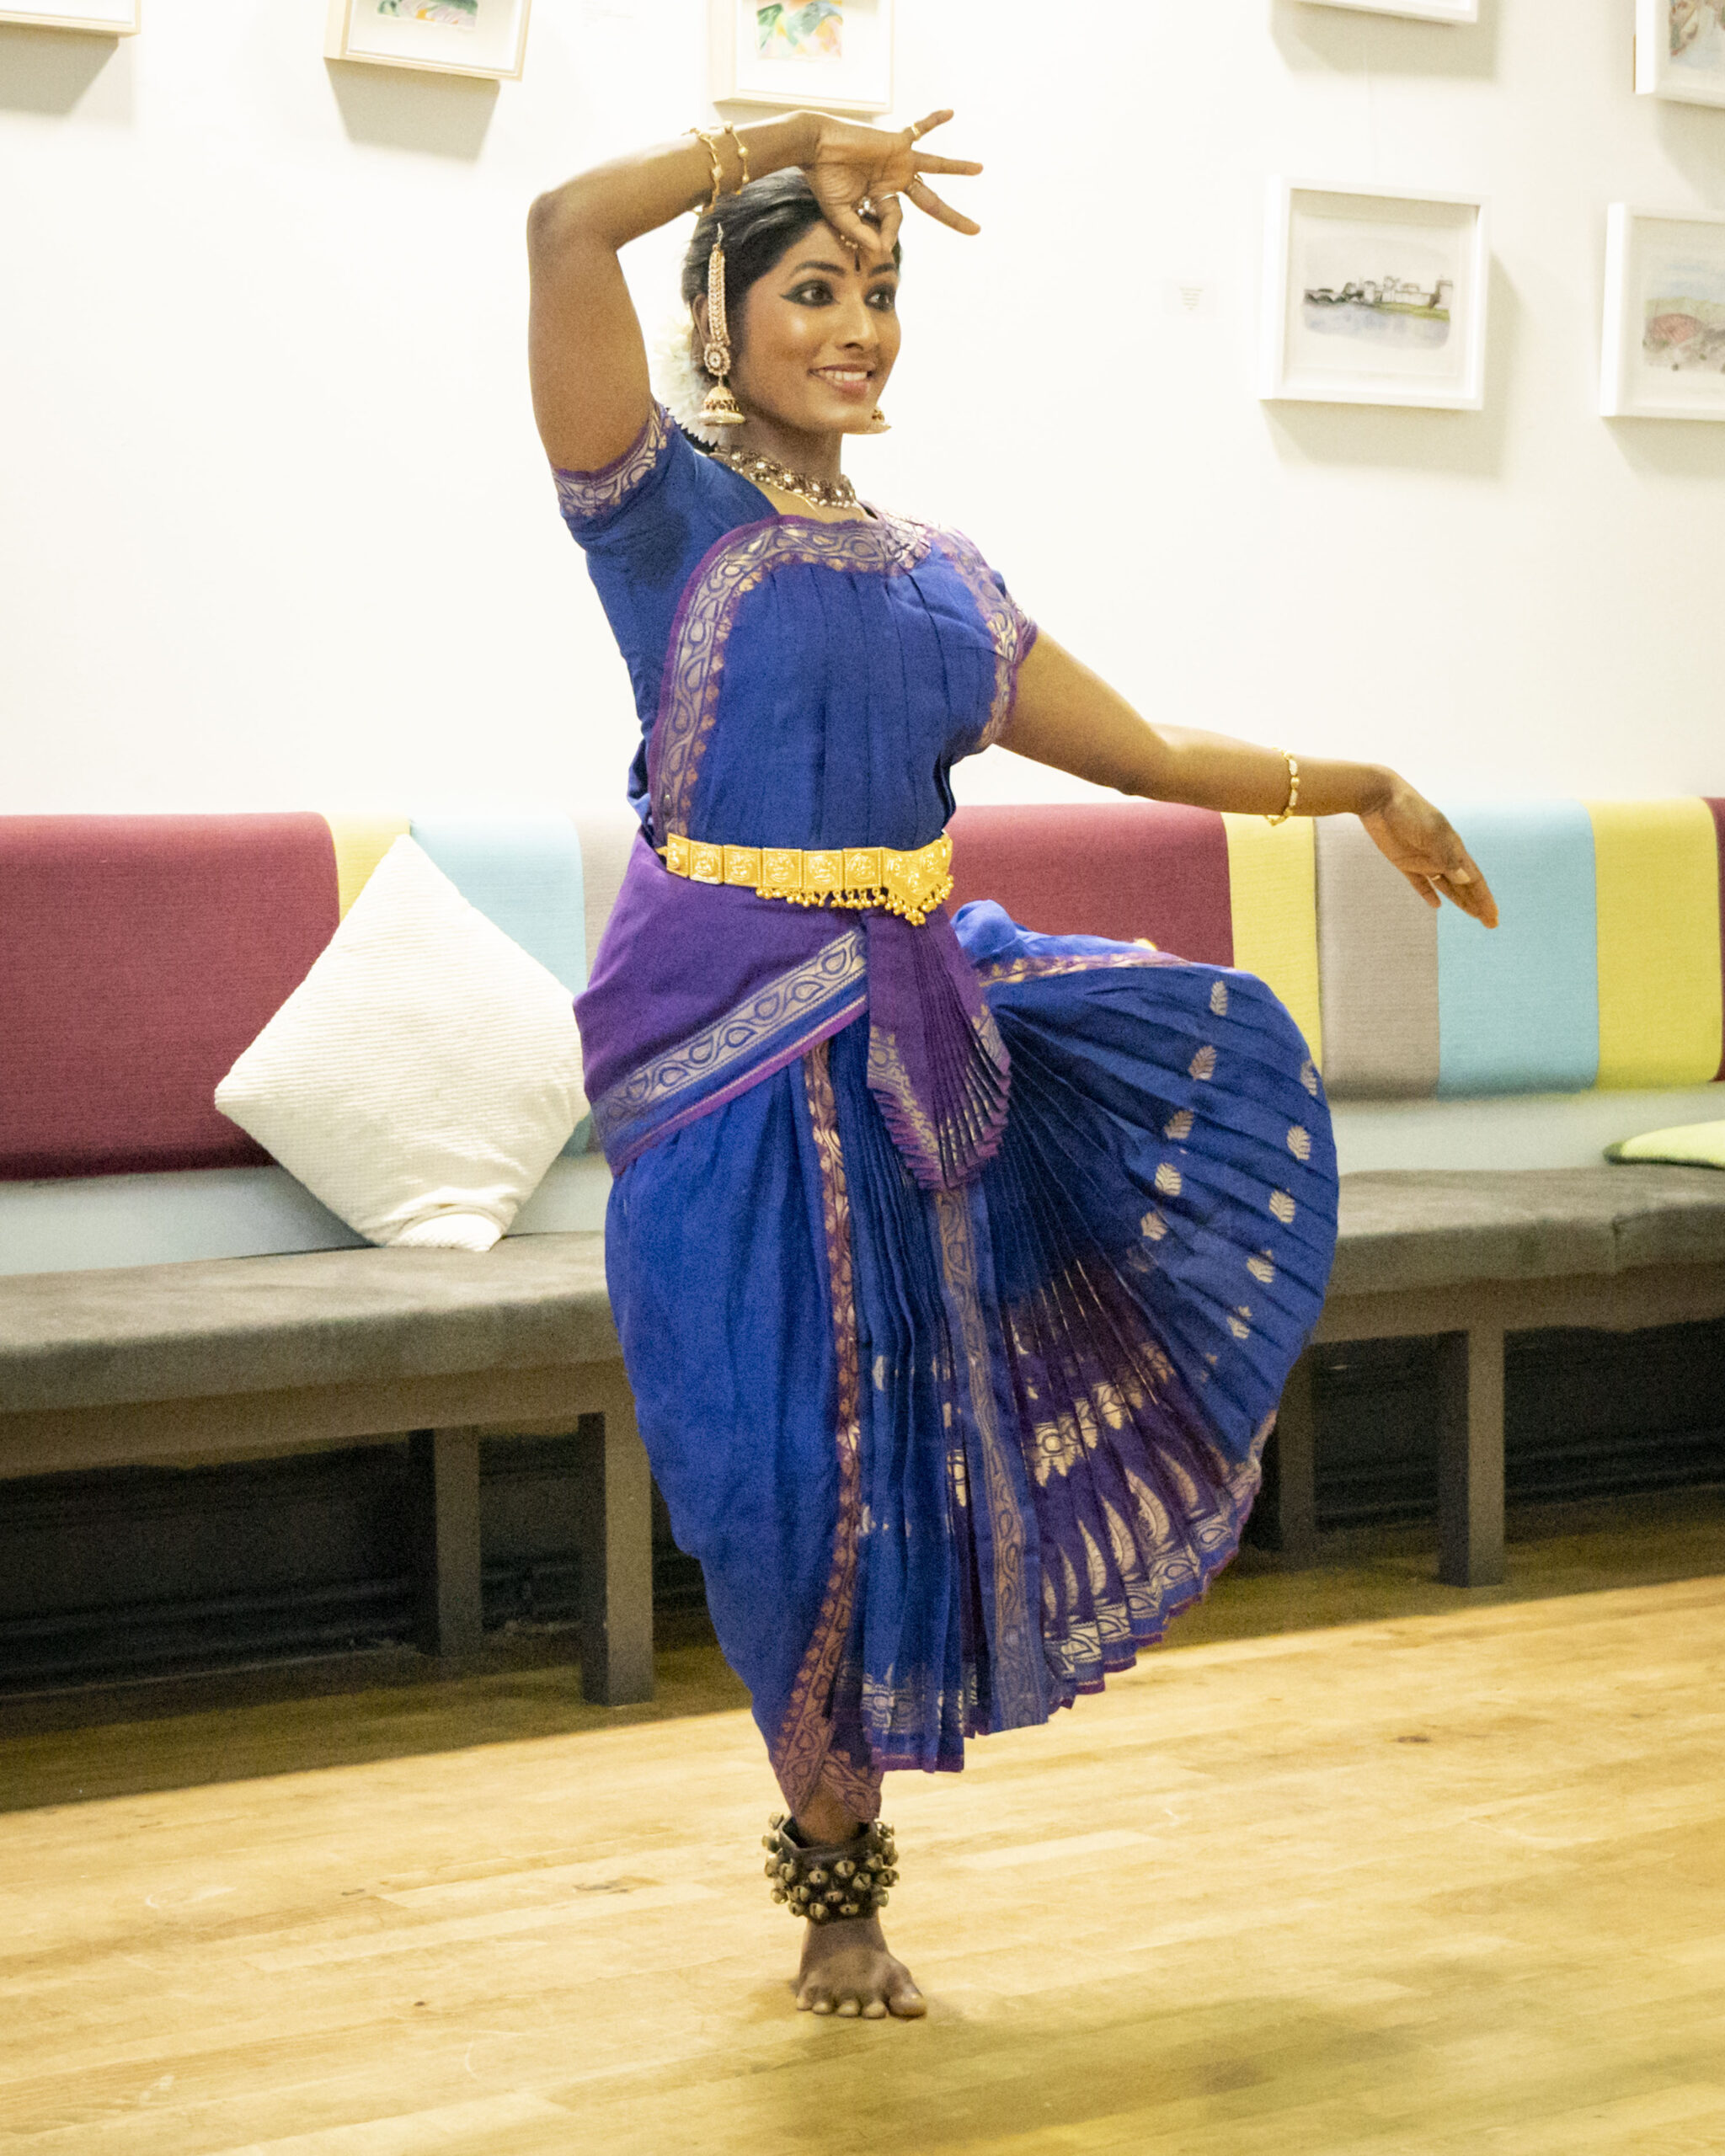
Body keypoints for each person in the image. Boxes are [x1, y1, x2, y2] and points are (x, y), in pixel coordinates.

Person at [526, 108, 1498, 2023]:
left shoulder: (942, 578)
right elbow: (563, 227)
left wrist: (1357, 780)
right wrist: (771, 141)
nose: (860, 326)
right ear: (714, 322)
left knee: (890, 1462)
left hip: (908, 1046)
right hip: (722, 1059)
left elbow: (1135, 750)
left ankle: (846, 1899)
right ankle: (826, 1862)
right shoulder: (656, 516)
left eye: (880, 292)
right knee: (772, 1478)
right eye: (812, 287)